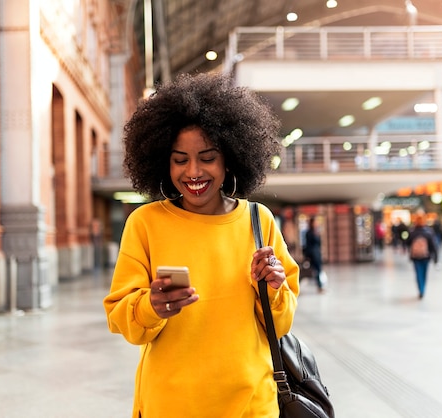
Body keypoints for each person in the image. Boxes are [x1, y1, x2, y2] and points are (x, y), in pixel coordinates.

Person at [103, 73, 300, 418]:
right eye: (180, 159)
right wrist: (151, 306)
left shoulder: (259, 220)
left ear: (230, 159)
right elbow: (121, 318)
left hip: (251, 403)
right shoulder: (146, 223)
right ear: (164, 161)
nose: (193, 171)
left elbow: (280, 325)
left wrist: (273, 286)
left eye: (207, 157)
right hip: (171, 404)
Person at [406, 213, 438, 299]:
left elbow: (408, 243)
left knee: (418, 273)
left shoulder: (412, 232)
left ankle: (421, 290)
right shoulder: (428, 232)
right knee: (424, 273)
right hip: (426, 256)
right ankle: (423, 289)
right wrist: (435, 257)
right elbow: (433, 246)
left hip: (416, 256)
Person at [303, 216, 325, 292]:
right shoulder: (309, 233)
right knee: (316, 270)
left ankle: (320, 286)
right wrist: (307, 256)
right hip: (312, 254)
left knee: (318, 270)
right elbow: (307, 245)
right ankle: (320, 286)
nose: (316, 224)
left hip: (317, 253)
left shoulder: (316, 232)